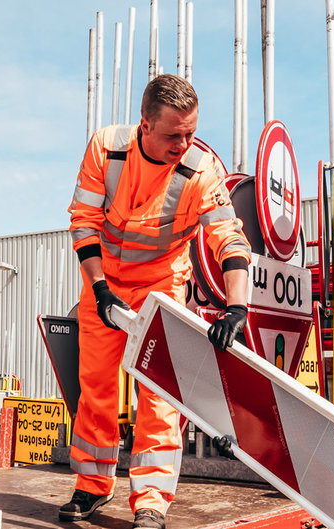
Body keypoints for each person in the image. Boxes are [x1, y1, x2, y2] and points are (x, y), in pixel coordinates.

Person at [62, 74, 252, 529]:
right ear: (144, 125)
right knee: (97, 390)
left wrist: (237, 306)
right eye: (173, 135)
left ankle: (151, 501)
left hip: (162, 287)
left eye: (190, 132)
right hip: (103, 283)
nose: (183, 144)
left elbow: (229, 237)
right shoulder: (106, 148)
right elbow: (83, 222)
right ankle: (91, 486)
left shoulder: (202, 169)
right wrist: (101, 288)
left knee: (160, 397)